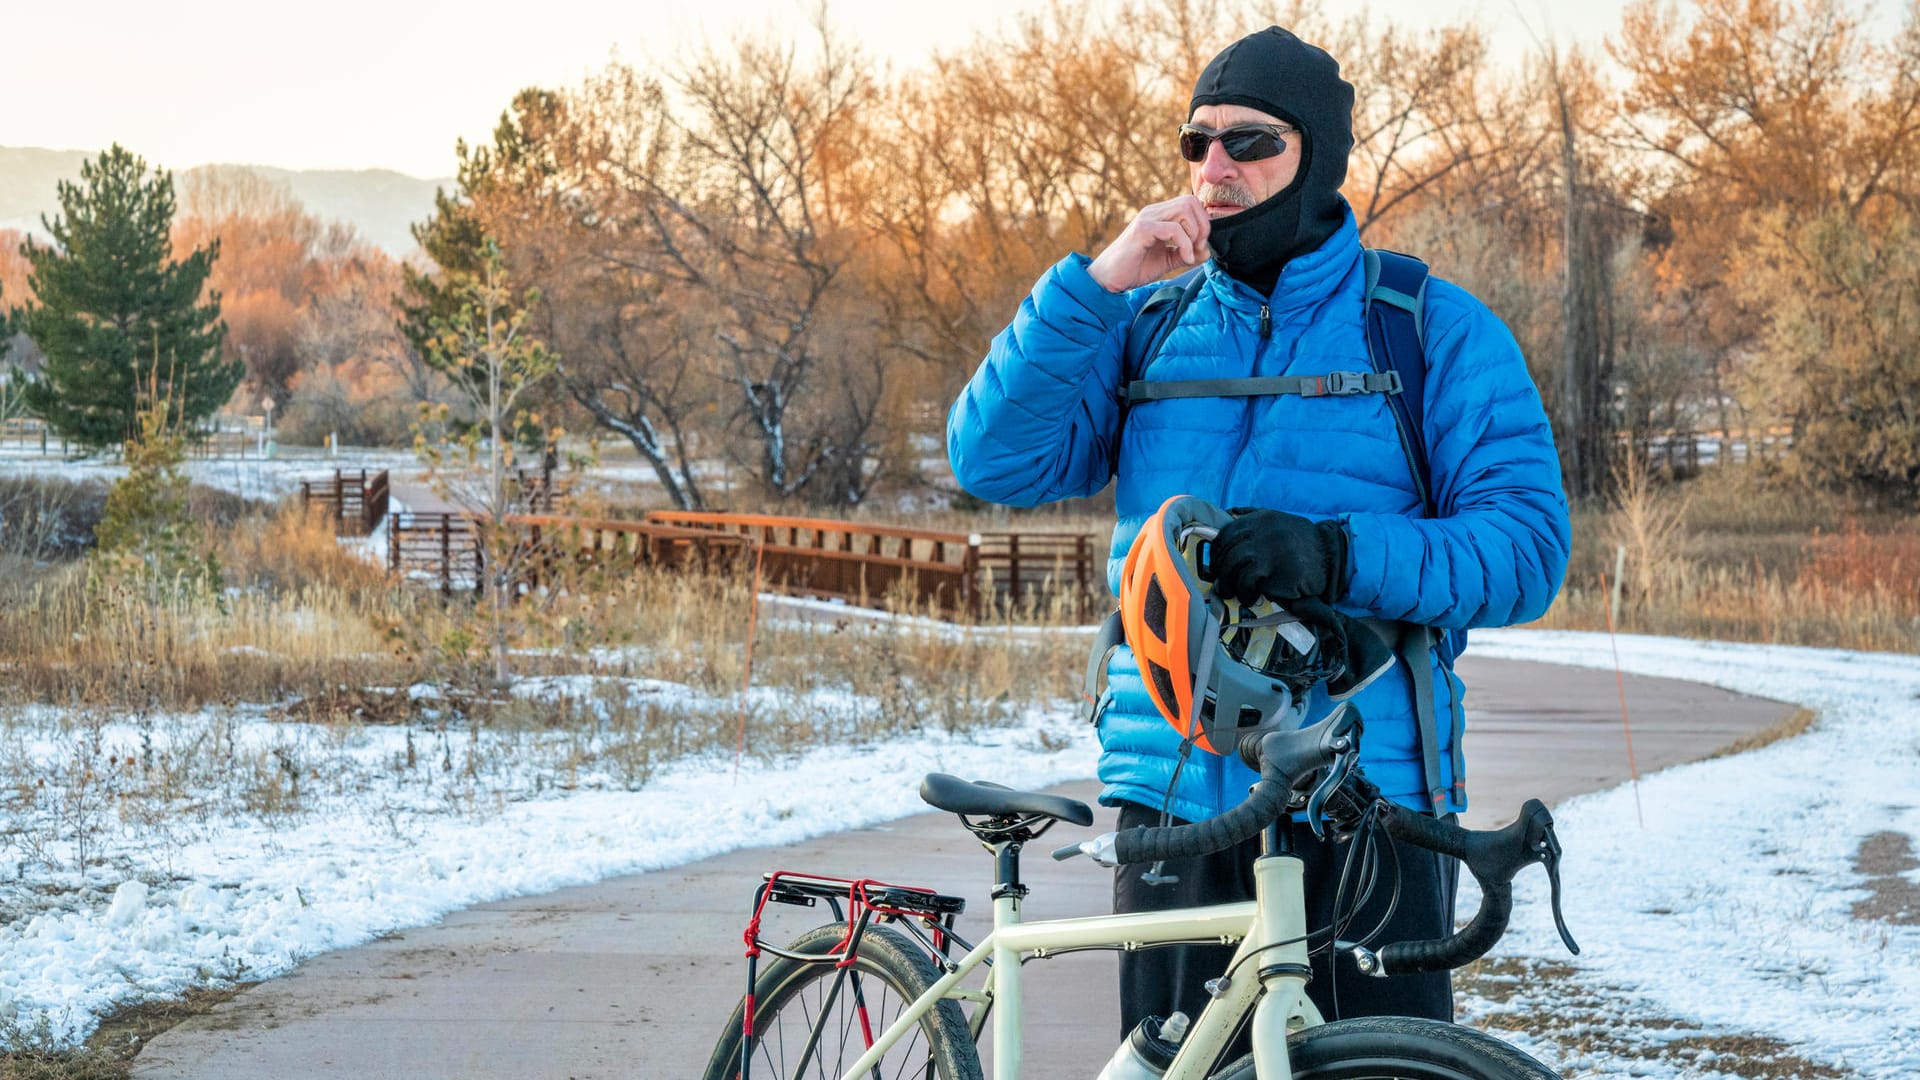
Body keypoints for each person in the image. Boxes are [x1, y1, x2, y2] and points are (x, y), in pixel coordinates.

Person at [945, 26, 1572, 1037]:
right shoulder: (1146, 323)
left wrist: (1338, 552)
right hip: (1176, 789)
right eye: (1196, 143)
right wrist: (1097, 286)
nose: (1214, 168)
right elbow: (991, 460)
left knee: (1379, 1065)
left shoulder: (1428, 329)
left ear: (1316, 157)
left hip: (1370, 793)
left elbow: (1530, 548)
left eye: (1249, 143)